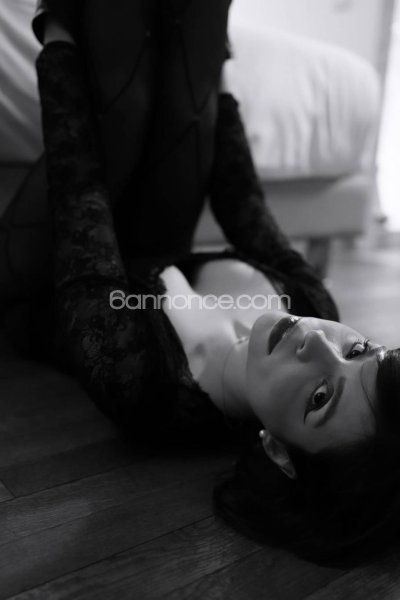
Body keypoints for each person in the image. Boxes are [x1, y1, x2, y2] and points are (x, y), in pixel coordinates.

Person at [33, 4, 400, 568]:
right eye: (359, 351)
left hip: (48, 258)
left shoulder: (142, 382)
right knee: (189, 92)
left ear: (278, 452)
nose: (319, 342)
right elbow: (240, 194)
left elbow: (77, 194)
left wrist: (55, 27)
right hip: (146, 231)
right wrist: (212, 68)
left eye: (321, 398)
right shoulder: (311, 304)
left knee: (123, 106)